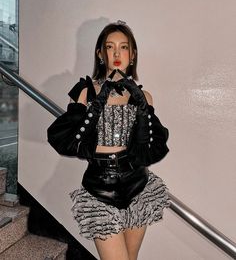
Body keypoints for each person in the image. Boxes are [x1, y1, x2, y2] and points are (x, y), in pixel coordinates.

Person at [47, 20, 170, 260]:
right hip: (99, 190)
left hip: (138, 186)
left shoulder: (143, 96)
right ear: (100, 53)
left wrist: (141, 104)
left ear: (132, 54)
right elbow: (67, 141)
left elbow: (150, 149)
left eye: (124, 47)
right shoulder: (85, 92)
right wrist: (98, 102)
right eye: (110, 46)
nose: (116, 53)